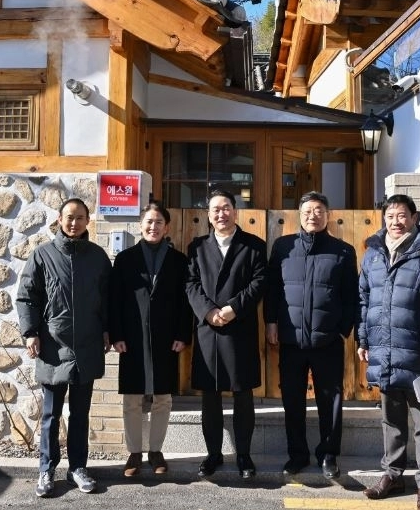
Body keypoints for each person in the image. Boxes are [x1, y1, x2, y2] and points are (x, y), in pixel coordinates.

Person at [358, 194, 420, 510]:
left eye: (402, 215)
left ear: (414, 218)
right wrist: (363, 339)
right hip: (385, 354)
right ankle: (393, 475)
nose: (396, 221)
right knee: (391, 420)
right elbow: (364, 301)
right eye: (390, 216)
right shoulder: (373, 255)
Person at [17, 198, 112, 498]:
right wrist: (31, 332)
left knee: (81, 413)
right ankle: (46, 469)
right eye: (69, 217)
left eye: (80, 218)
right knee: (50, 413)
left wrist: (109, 329)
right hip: (53, 347)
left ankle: (77, 468)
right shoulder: (42, 255)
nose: (74, 223)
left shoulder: (98, 257)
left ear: (88, 221)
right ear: (59, 219)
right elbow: (27, 297)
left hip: (87, 343)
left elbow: (108, 299)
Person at [265, 191, 358, 479]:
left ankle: (328, 455)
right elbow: (272, 290)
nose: (312, 216)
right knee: (292, 400)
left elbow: (351, 297)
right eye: (307, 211)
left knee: (330, 402)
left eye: (319, 210)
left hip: (327, 341)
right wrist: (271, 322)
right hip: (291, 340)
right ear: (299, 215)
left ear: (327, 214)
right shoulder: (283, 246)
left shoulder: (343, 251)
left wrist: (341, 330)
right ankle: (297, 455)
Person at [185, 188, 267, 480]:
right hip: (209, 330)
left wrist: (233, 309)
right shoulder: (196, 247)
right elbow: (191, 284)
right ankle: (213, 454)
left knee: (243, 396)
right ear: (208, 215)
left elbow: (259, 283)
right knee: (210, 397)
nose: (221, 213)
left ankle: (244, 455)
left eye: (226, 208)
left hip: (239, 328)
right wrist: (208, 311)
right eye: (215, 209)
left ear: (236, 211)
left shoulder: (254, 246)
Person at [109, 202, 192, 478]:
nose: (153, 227)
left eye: (159, 222)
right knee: (132, 397)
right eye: (149, 222)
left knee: (162, 396)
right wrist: (117, 334)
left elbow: (185, 302)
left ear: (166, 227)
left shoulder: (179, 261)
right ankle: (134, 452)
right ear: (140, 225)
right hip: (131, 336)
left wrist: (183, 334)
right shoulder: (125, 259)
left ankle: (156, 450)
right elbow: (115, 300)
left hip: (166, 336)